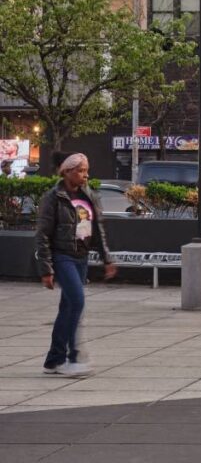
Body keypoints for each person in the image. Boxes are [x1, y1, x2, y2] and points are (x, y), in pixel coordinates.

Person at [35, 153, 117, 376]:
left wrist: (106, 259)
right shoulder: (53, 197)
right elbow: (42, 235)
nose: (85, 174)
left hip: (82, 257)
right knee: (77, 302)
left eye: (86, 170)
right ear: (67, 172)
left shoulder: (89, 195)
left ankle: (54, 360)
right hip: (62, 257)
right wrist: (46, 270)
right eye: (81, 170)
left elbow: (97, 230)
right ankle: (73, 357)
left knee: (68, 308)